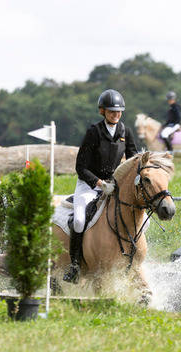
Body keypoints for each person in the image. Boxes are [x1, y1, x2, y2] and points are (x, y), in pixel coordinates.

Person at [63, 89, 138, 283]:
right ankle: (75, 266)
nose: (116, 114)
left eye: (119, 111)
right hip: (89, 186)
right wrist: (99, 183)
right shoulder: (94, 132)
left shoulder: (126, 132)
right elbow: (80, 167)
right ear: (102, 111)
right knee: (79, 220)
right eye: (112, 111)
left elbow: (133, 162)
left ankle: (134, 259)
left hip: (114, 186)